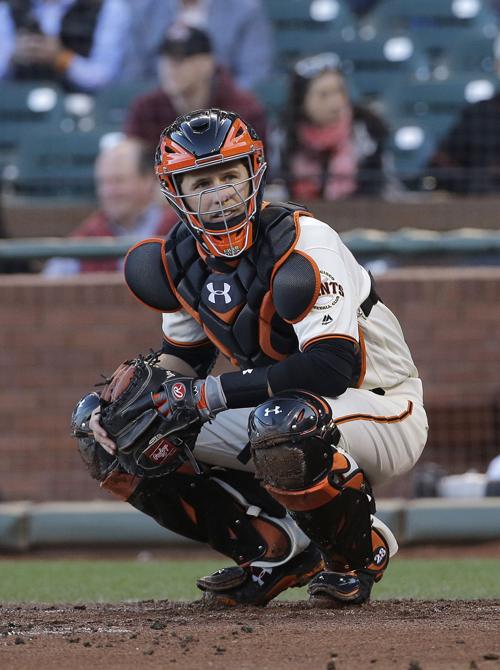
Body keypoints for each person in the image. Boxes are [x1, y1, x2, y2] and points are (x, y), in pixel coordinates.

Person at [82, 108, 428, 608]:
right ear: (175, 190)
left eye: (229, 175)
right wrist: (143, 395)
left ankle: (356, 554)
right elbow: (184, 361)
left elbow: (333, 367)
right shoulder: (179, 257)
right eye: (202, 180)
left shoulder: (304, 241)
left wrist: (204, 395)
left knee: (282, 423)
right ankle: (273, 548)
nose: (219, 191)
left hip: (383, 406)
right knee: (114, 431)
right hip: (285, 411)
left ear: (254, 173)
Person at [124, 25, 267, 154]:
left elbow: (259, 170)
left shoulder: (243, 108)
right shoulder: (145, 108)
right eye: (164, 59)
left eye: (179, 60)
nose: (169, 68)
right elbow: (135, 171)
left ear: (207, 64)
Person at [44, 138, 176, 275]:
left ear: (148, 181)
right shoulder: (88, 235)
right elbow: (50, 283)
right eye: (103, 182)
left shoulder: (178, 227)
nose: (109, 192)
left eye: (118, 181)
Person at [282, 53, 391, 201]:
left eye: (339, 91)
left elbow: (379, 191)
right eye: (323, 95)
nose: (336, 103)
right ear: (302, 100)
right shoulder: (285, 136)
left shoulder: (368, 129)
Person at [120, 0, 273, 90]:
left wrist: (212, 106)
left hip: (224, 114)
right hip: (160, 113)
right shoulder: (145, 9)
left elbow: (255, 75)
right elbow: (133, 77)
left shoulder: (245, 9)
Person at [0, 0, 131, 91]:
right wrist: (12, 57)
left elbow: (108, 77)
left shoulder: (107, 7)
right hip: (18, 107)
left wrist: (62, 58)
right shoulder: (10, 7)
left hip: (82, 109)